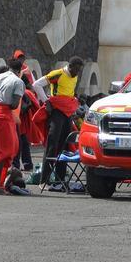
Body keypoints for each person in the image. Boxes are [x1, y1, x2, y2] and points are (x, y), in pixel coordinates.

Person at [0, 57, 26, 195]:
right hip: (5, 117)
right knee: (5, 151)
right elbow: (14, 104)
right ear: (19, 71)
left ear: (8, 67)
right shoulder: (18, 81)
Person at [40, 57, 84, 191]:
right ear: (70, 66)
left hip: (67, 114)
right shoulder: (58, 74)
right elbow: (37, 84)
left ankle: (60, 179)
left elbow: (70, 94)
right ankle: (44, 180)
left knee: (65, 145)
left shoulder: (74, 77)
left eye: (79, 70)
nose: (77, 73)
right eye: (76, 69)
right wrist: (46, 101)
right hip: (57, 113)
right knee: (52, 144)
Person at [13, 50, 37, 172]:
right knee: (19, 138)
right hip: (16, 110)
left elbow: (31, 87)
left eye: (22, 58)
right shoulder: (13, 73)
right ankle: (21, 164)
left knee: (21, 138)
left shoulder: (22, 73)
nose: (21, 60)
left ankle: (23, 164)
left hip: (21, 111)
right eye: (19, 58)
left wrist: (29, 94)